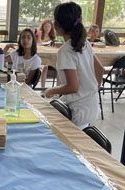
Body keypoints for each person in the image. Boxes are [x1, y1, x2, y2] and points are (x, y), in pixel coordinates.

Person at [44, 2, 104, 130]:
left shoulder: (65, 51)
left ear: (57, 26)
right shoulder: (85, 43)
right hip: (91, 106)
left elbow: (73, 86)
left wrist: (51, 90)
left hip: (78, 111)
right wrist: (91, 91)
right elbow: (100, 70)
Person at [38, 18, 57, 88]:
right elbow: (37, 44)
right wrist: (39, 37)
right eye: (45, 26)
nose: (47, 28)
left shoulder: (52, 36)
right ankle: (43, 87)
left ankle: (58, 87)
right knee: (45, 67)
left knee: (59, 67)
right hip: (42, 56)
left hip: (50, 56)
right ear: (43, 27)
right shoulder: (40, 34)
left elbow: (54, 46)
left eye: (49, 26)